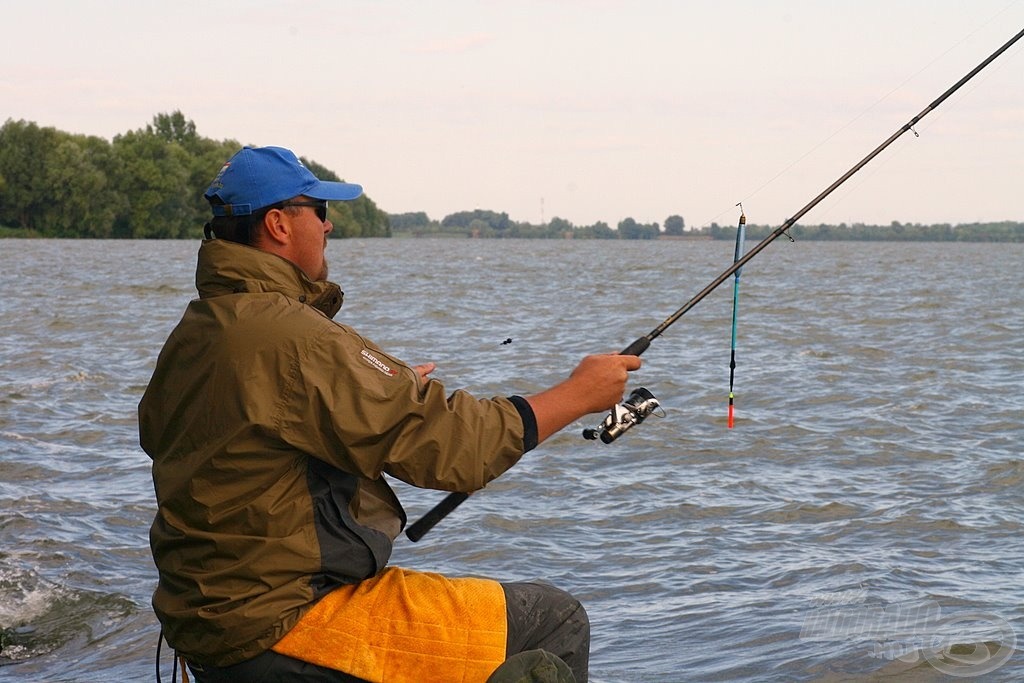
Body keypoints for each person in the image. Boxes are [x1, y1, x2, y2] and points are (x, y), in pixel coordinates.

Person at [139, 146, 641, 683]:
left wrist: (387, 398)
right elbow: (454, 448)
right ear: (279, 225)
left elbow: (248, 441)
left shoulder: (200, 329)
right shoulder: (294, 337)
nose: (328, 227)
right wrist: (579, 393)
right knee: (554, 620)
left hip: (205, 619)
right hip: (280, 619)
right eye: (319, 211)